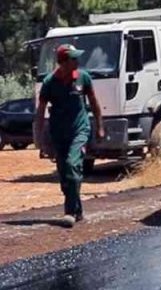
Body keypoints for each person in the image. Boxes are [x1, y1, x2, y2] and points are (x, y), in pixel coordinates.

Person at [35, 44, 104, 227]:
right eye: (73, 58)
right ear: (63, 62)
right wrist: (40, 137)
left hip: (80, 130)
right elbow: (41, 111)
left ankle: (70, 212)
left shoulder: (83, 78)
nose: (77, 61)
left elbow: (95, 103)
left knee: (73, 166)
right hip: (59, 133)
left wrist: (100, 127)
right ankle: (78, 210)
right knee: (65, 175)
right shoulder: (49, 83)